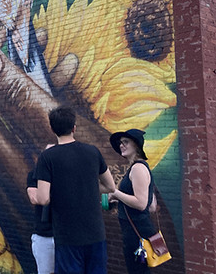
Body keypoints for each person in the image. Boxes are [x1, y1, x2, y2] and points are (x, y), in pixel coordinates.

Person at [35, 107, 116, 274]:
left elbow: (43, 198)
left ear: (52, 129)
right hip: (96, 233)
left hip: (67, 236)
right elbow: (110, 186)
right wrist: (87, 186)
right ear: (74, 128)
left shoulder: (47, 157)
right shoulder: (93, 152)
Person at [108, 129, 157, 274]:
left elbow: (141, 204)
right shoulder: (137, 168)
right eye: (120, 143)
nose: (121, 145)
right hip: (136, 230)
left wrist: (116, 193)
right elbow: (151, 205)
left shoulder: (138, 168)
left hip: (137, 233)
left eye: (126, 142)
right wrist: (121, 200)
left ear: (136, 146)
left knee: (137, 271)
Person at [27, 146, 55, 274]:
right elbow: (35, 198)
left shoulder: (66, 175)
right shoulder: (34, 175)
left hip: (66, 235)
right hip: (45, 235)